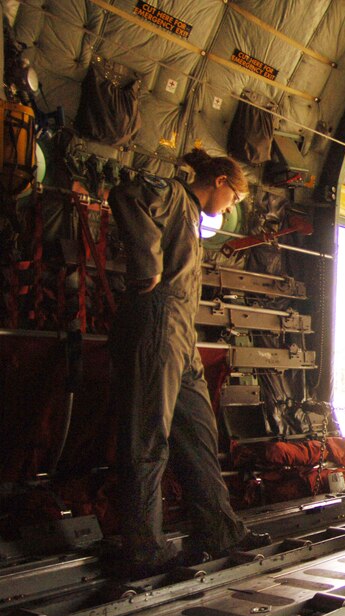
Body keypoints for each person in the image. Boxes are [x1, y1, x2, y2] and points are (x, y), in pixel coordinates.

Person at [108, 148, 269, 578]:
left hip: (181, 334)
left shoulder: (193, 219)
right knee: (148, 438)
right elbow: (125, 194)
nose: (232, 206)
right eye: (233, 197)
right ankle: (143, 550)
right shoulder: (174, 194)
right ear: (219, 181)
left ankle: (220, 528)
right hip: (157, 322)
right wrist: (148, 264)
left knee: (199, 432)